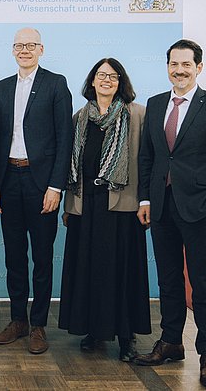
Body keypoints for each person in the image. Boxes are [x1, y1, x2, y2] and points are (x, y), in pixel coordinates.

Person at [134, 39, 206, 389]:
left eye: (186, 65)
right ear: (167, 67)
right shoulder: (155, 104)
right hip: (161, 207)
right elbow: (148, 157)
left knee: (202, 283)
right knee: (168, 280)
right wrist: (145, 200)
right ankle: (171, 342)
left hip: (199, 210)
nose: (179, 71)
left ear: (199, 67)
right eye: (174, 64)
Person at [0, 27, 73, 354]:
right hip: (8, 179)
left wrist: (56, 187)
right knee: (14, 256)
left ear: (41, 49)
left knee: (42, 257)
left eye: (30, 45)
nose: (24, 50)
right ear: (12, 50)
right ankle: (17, 320)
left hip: (42, 184)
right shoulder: (2, 87)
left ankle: (38, 325)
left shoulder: (56, 83)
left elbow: (65, 139)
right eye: (19, 45)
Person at [59, 58, 151, 362]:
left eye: (113, 76)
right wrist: (70, 206)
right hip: (86, 204)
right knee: (89, 270)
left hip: (122, 206)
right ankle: (94, 330)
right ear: (92, 81)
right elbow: (72, 164)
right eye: (101, 75)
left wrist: (145, 201)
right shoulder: (80, 117)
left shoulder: (136, 115)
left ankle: (126, 337)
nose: (106, 80)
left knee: (122, 272)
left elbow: (146, 162)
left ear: (121, 81)